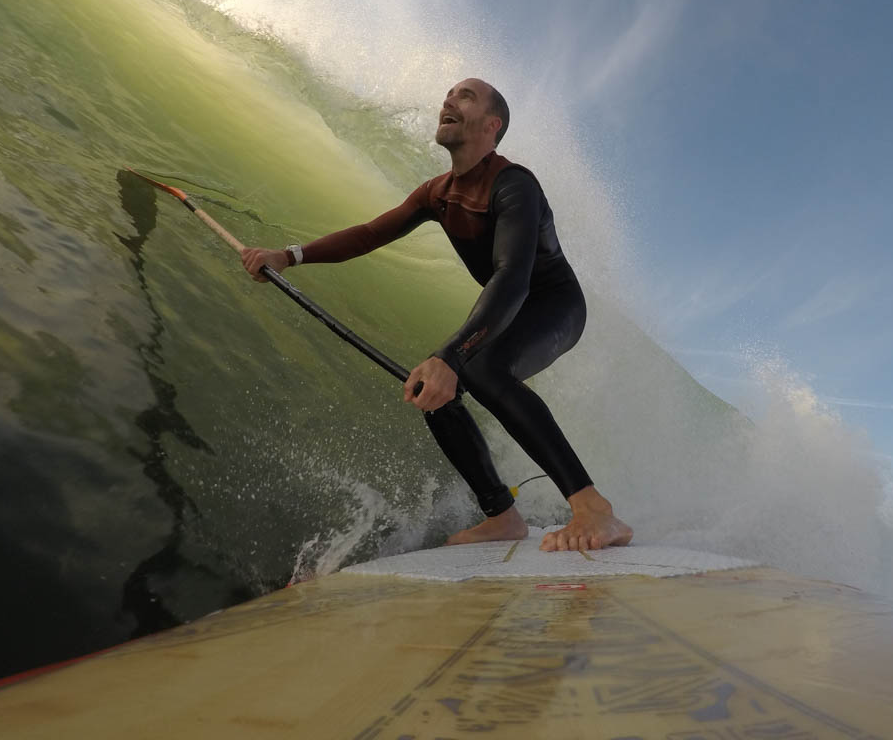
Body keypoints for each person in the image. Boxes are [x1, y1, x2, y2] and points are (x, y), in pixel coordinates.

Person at [241, 78, 632, 552]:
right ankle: (502, 516)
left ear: (492, 126)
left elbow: (512, 276)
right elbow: (369, 234)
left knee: (480, 369)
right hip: (508, 306)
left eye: (465, 96)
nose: (449, 99)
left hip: (555, 305)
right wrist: (288, 256)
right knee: (434, 387)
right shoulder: (437, 193)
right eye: (449, 94)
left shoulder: (515, 185)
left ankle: (593, 508)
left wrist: (451, 355)